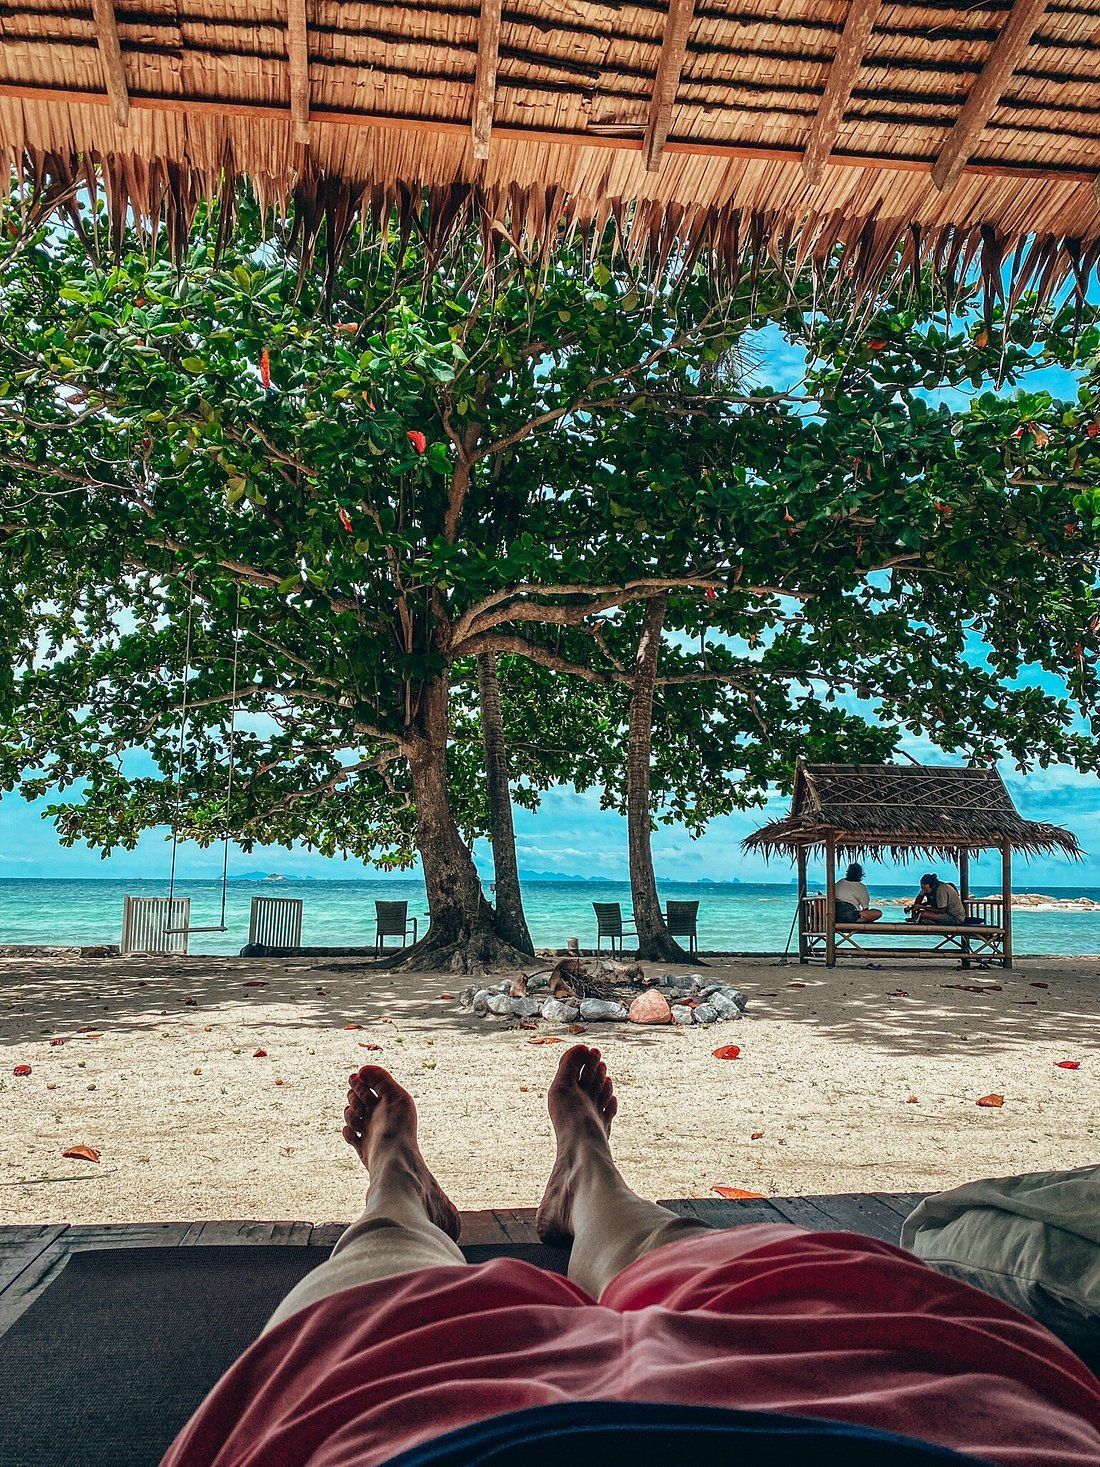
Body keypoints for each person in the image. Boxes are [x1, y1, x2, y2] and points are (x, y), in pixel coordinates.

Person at [163, 1050, 1100, 1467]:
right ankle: (589, 1176)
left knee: (382, 1288)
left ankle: (400, 1192)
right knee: (678, 1251)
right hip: (919, 1389)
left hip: (415, 1429)